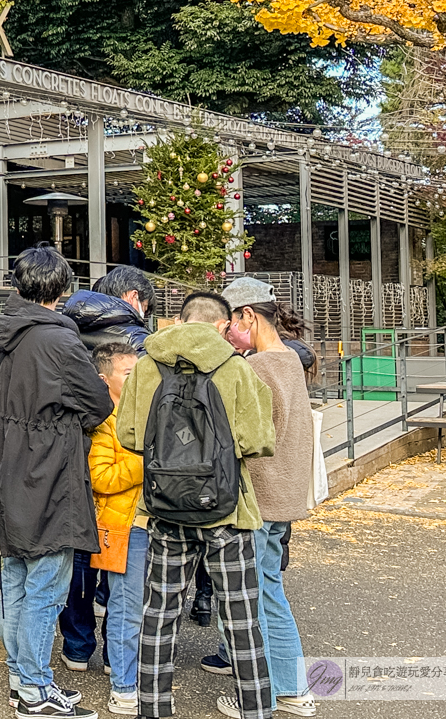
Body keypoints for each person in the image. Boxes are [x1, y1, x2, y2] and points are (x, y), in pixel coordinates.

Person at [116, 292, 277, 719]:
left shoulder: (147, 365)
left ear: (180, 321)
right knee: (241, 616)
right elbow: (259, 440)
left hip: (165, 509)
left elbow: (129, 436)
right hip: (228, 509)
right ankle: (257, 708)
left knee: (160, 613)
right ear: (223, 325)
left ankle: (153, 709)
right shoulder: (236, 367)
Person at [0, 244, 112, 719]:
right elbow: (97, 402)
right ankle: (34, 688)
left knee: (14, 573)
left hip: (5, 451)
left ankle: (21, 677)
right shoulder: (60, 339)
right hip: (48, 459)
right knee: (48, 577)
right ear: (62, 288)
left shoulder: (2, 330)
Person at [209, 279, 319, 719]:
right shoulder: (290, 360)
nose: (228, 336)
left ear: (248, 317)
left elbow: (243, 438)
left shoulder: (256, 368)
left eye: (230, 326)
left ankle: (261, 695)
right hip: (283, 498)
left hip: (256, 500)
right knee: (269, 592)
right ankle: (293, 688)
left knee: (247, 601)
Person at [58, 266, 155, 675]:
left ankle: (78, 647)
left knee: (78, 574)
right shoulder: (139, 345)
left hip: (70, 481)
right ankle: (120, 667)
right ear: (134, 300)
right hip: (121, 505)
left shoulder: (70, 336)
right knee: (122, 591)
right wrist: (147, 461)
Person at [88, 342, 146, 716]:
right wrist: (148, 461)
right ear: (104, 378)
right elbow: (101, 478)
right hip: (125, 528)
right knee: (125, 608)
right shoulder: (104, 422)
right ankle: (124, 687)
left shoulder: (150, 412)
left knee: (153, 609)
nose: (138, 377)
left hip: (161, 523)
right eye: (128, 372)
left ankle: (144, 677)